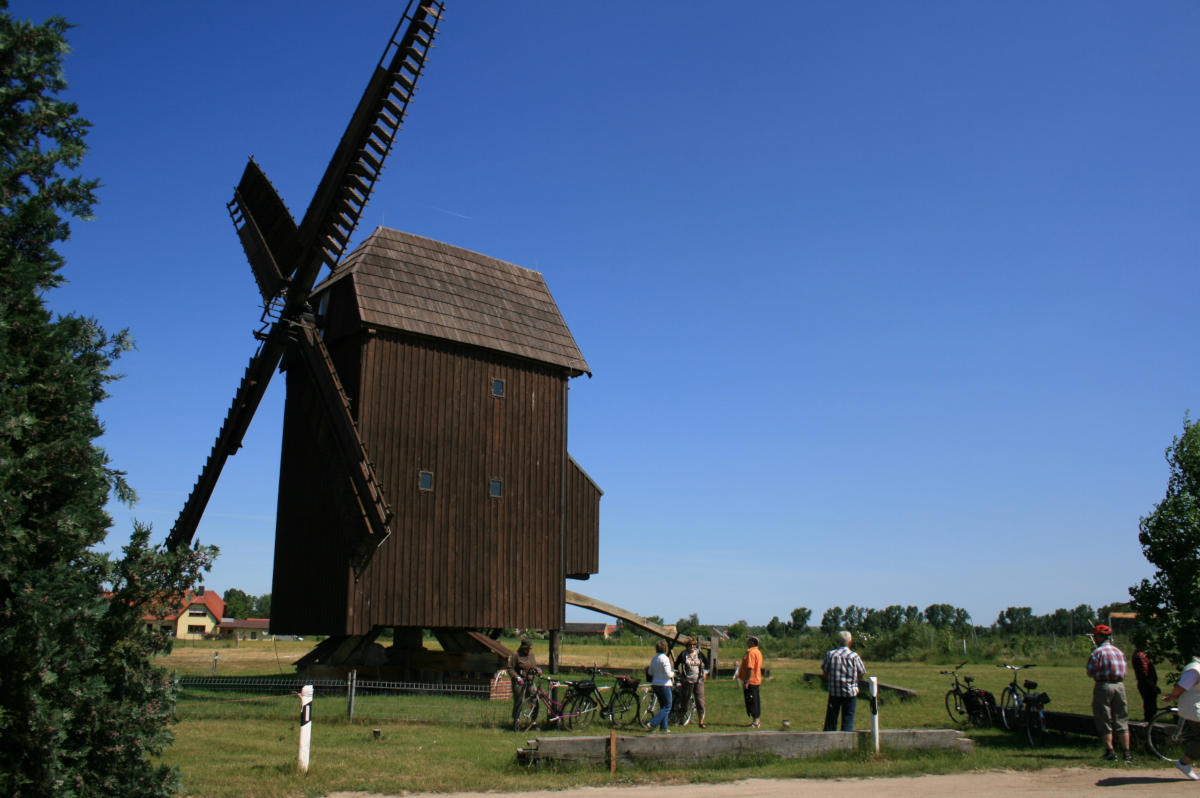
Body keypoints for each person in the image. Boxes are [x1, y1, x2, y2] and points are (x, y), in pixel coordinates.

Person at [1086, 623, 1131, 762]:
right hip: (1119, 686)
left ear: (1099, 637)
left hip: (1104, 685)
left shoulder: (1097, 652)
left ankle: (1110, 751)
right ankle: (1127, 753)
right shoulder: (1119, 652)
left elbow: (1090, 671)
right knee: (1121, 719)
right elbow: (1125, 670)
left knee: (1103, 718)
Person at [1161, 654, 1200, 781]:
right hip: (1193, 709)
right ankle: (1184, 762)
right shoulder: (1195, 669)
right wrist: (1172, 696)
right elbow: (1181, 687)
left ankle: (1185, 762)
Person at [821, 630, 866, 731]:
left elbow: (824, 672)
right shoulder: (854, 656)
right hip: (850, 693)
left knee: (831, 720)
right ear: (850, 642)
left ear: (838, 642)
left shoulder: (830, 655)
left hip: (834, 692)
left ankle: (828, 740)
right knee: (847, 719)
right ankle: (846, 741)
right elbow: (862, 672)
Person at [674, 637, 709, 728]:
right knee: (685, 701)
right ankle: (681, 719)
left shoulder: (699, 653)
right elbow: (676, 665)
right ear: (686, 646)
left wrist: (705, 673)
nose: (692, 647)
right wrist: (680, 676)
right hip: (687, 681)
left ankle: (701, 722)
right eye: (690, 645)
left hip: (698, 680)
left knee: (700, 702)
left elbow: (707, 664)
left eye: (694, 645)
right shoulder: (683, 654)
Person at [507, 638, 540, 727]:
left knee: (534, 700)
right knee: (519, 701)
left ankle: (533, 721)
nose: (528, 650)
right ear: (522, 647)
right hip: (519, 682)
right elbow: (510, 668)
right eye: (527, 648)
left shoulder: (531, 655)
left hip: (530, 681)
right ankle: (516, 720)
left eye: (529, 648)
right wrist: (517, 677)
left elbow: (534, 666)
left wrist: (537, 669)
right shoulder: (516, 655)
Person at [647, 639, 675, 732]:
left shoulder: (654, 659)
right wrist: (673, 674)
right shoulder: (665, 659)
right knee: (668, 706)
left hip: (655, 684)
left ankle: (664, 727)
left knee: (663, 706)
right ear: (665, 648)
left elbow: (650, 672)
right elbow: (668, 674)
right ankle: (653, 723)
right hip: (665, 684)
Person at [736, 635, 763, 728]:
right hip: (756, 680)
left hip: (751, 681)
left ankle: (756, 721)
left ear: (752, 642)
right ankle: (756, 720)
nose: (747, 642)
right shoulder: (758, 652)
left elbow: (750, 668)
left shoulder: (751, 653)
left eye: (748, 640)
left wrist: (747, 681)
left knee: (752, 701)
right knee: (755, 700)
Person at [1131, 642, 1160, 722]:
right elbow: (1144, 674)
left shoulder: (1141, 655)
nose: (1148, 645)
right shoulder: (1140, 656)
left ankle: (1150, 722)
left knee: (1149, 705)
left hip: (1146, 683)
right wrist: (1153, 686)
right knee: (1150, 706)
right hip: (1146, 684)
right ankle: (1150, 723)